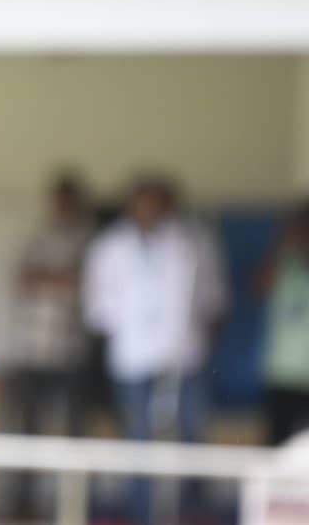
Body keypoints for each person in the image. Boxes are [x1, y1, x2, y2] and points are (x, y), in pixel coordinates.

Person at [83, 176, 227, 524]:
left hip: (184, 358)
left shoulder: (194, 241)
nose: (150, 211)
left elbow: (212, 299)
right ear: (131, 206)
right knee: (138, 442)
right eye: (143, 203)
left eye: (157, 203)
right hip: (132, 359)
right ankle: (142, 516)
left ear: (170, 205)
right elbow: (97, 306)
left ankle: (192, 513)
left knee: (191, 435)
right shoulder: (110, 245)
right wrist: (131, 324)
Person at [8, 172, 94, 517]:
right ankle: (22, 507)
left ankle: (73, 509)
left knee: (74, 434)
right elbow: (22, 280)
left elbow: (85, 282)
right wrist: (61, 277)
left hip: (71, 352)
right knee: (26, 431)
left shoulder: (89, 238)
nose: (61, 207)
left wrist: (48, 277)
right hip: (33, 351)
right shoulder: (38, 236)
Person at [257, 201, 309, 446]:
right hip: (282, 372)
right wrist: (282, 245)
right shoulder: (283, 263)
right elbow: (258, 287)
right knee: (277, 444)